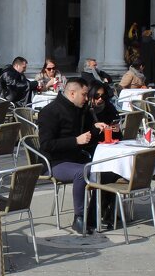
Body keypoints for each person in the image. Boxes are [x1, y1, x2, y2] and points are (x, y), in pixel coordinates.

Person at [37, 77, 112, 235]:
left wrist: (95, 128)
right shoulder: (50, 112)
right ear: (72, 93)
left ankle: (97, 214)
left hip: (75, 157)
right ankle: (79, 217)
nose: (87, 98)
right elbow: (46, 144)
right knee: (82, 172)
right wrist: (75, 141)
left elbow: (85, 137)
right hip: (54, 162)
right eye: (84, 95)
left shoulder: (79, 109)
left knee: (106, 168)